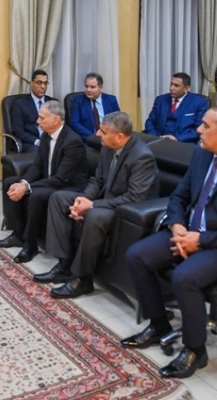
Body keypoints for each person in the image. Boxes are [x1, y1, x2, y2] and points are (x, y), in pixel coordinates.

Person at [122, 105, 217, 380]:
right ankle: (158, 324)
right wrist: (177, 225)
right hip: (188, 231)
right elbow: (179, 196)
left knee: (184, 277)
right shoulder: (202, 155)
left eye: (205, 125)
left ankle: (195, 350)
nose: (198, 130)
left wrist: (201, 240)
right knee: (136, 256)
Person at [34, 111, 158, 298]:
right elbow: (97, 180)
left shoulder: (141, 157)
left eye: (103, 131)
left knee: (94, 216)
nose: (98, 134)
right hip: (103, 199)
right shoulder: (107, 148)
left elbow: (135, 197)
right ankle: (64, 265)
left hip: (125, 210)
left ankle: (82, 279)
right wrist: (83, 200)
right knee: (59, 198)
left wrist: (91, 206)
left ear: (119, 136)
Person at [0, 101, 87, 263]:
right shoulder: (46, 135)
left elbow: (61, 178)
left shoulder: (73, 142)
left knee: (35, 195)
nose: (38, 121)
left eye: (42, 118)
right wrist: (23, 182)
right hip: (49, 180)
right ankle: (18, 234)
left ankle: (30, 245)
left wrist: (27, 187)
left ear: (56, 119)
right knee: (10, 182)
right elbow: (37, 165)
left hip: (67, 185)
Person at [143, 72, 209, 143]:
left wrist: (178, 138)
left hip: (183, 143)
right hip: (158, 141)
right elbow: (150, 122)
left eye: (176, 86)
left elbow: (198, 129)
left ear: (186, 88)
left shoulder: (199, 103)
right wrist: (155, 137)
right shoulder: (160, 100)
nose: (171, 88)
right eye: (171, 84)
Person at [10, 69, 57, 153]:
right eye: (39, 83)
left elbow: (59, 126)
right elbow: (18, 131)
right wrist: (37, 142)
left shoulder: (53, 103)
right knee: (40, 153)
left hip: (50, 140)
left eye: (45, 83)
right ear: (31, 84)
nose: (43, 86)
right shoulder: (20, 104)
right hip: (31, 142)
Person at [69, 72, 121, 141]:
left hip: (108, 139)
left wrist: (107, 135)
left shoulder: (111, 100)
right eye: (86, 86)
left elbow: (118, 121)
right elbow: (75, 123)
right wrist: (93, 137)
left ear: (101, 87)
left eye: (92, 87)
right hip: (88, 140)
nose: (88, 90)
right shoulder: (78, 101)